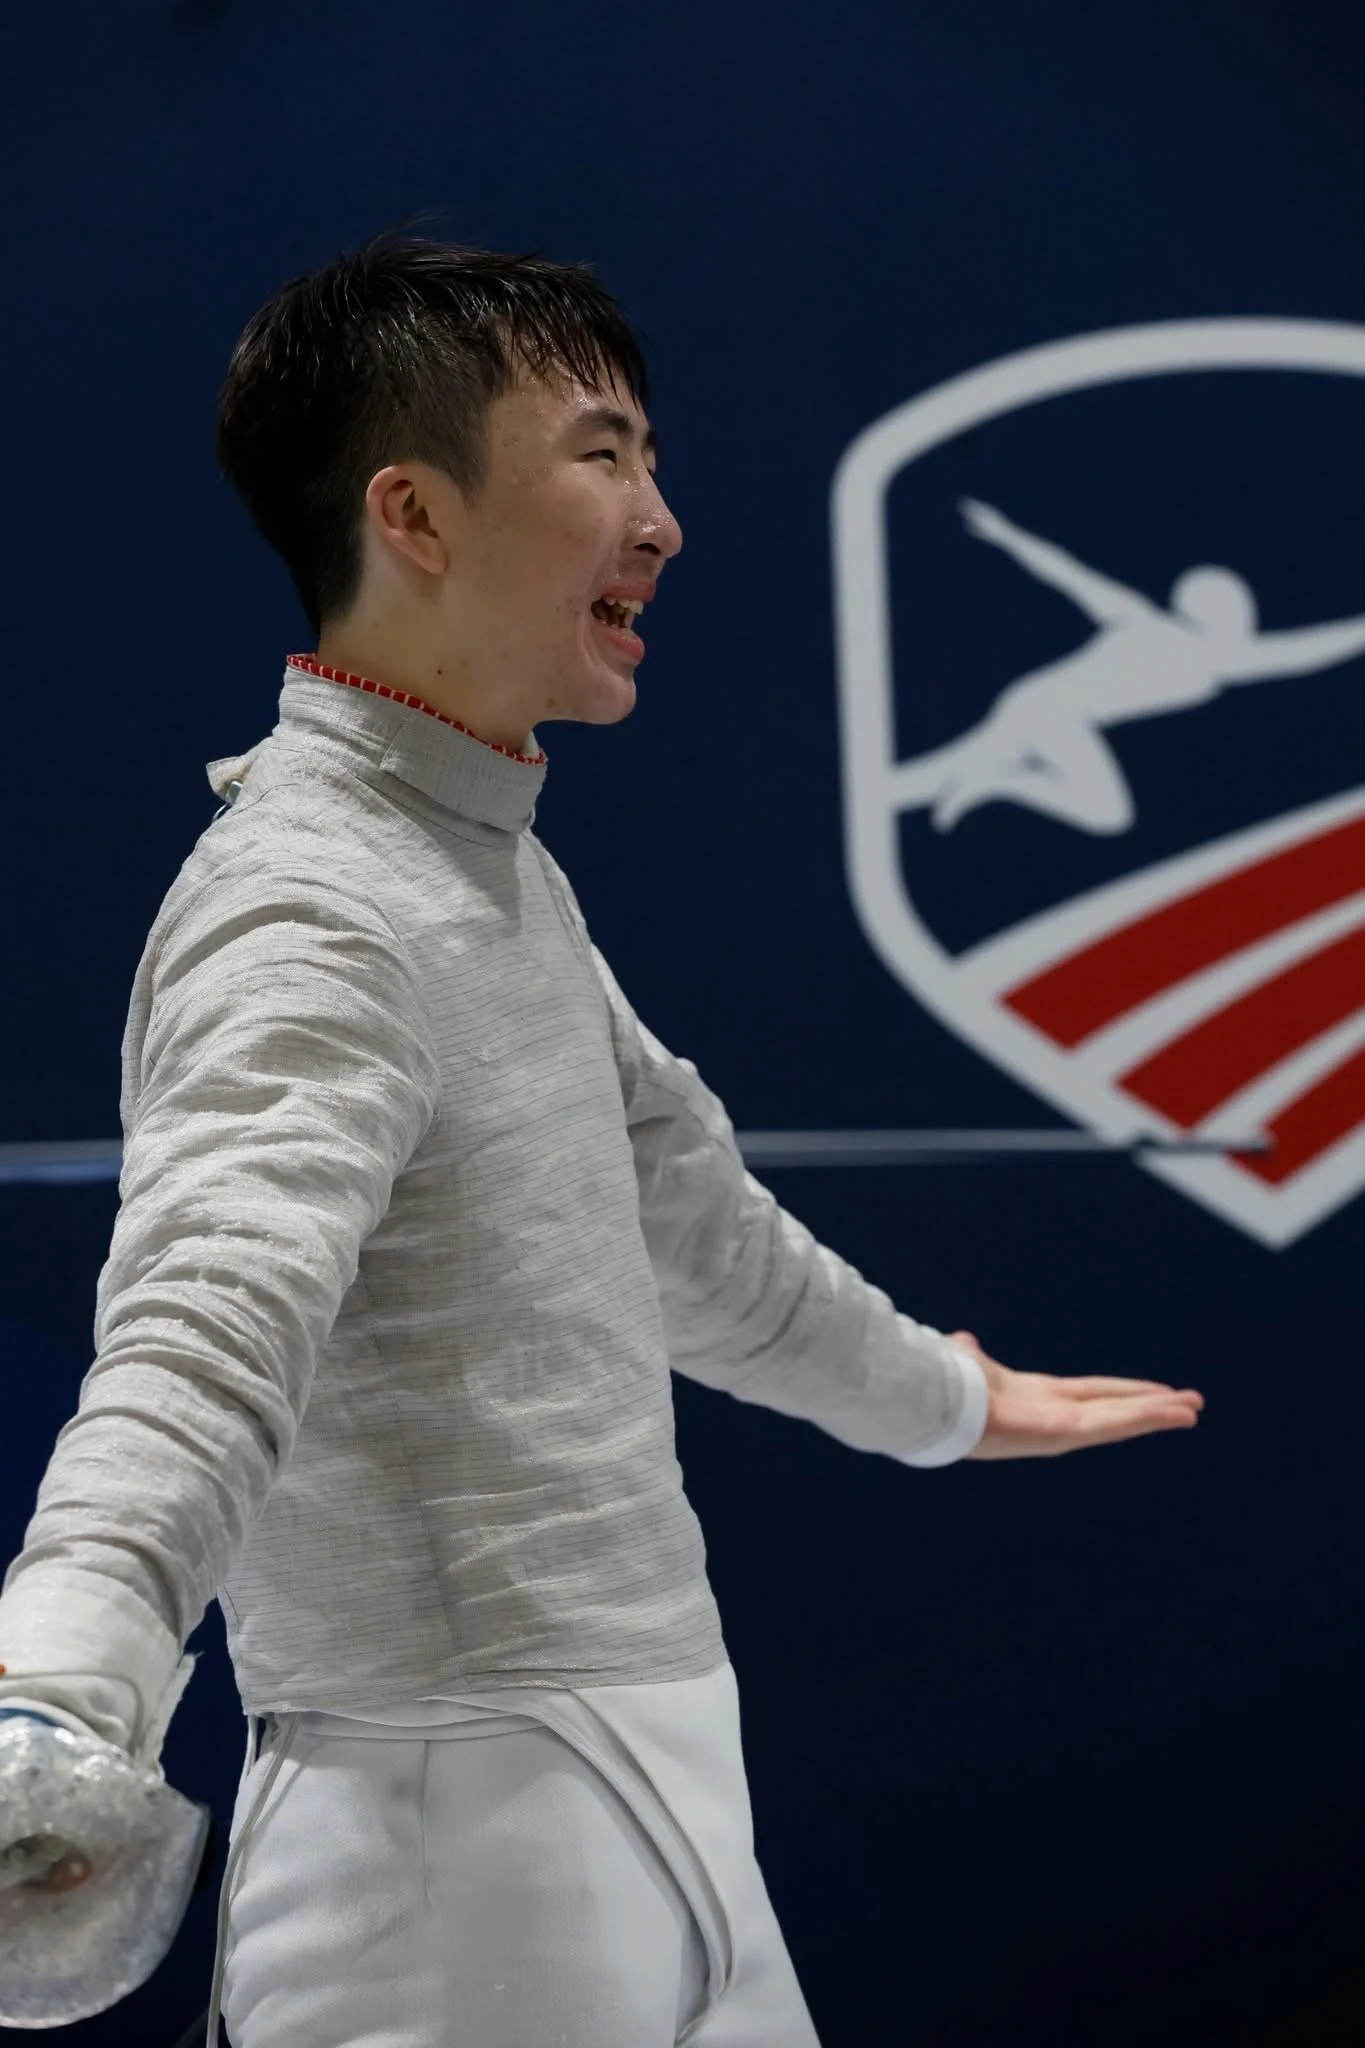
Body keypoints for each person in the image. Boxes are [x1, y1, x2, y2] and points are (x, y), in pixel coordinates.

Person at [0, 239, 1204, 2048]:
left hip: (644, 1830)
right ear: (412, 510)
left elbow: (685, 1227)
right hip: (442, 1886)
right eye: (603, 453)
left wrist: (948, 1400)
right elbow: (204, 1326)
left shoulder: (480, 863)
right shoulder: (310, 905)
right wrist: (56, 1694)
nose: (663, 520)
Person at [892, 496, 1365, 834]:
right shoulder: (1212, 656)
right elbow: (1306, 652)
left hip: (1034, 703)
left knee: (906, 789)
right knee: (1109, 814)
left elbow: (1067, 571)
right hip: (1052, 715)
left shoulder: (1137, 615)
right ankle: (1000, 784)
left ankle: (986, 781)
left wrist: (1006, 534)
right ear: (1228, 617)